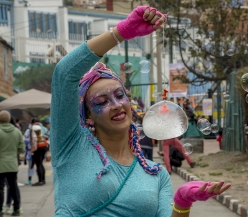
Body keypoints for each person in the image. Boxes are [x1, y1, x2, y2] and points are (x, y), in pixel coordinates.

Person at [50, 6, 231, 216]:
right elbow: (64, 73)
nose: (116, 104)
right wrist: (123, 31)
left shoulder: (156, 174)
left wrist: (182, 203)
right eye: (102, 101)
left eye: (120, 95)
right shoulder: (70, 147)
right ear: (88, 114)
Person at [0, 110, 25, 216]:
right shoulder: (16, 131)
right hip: (12, 164)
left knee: (0, 188)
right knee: (13, 186)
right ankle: (16, 208)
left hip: (0, 164)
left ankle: (0, 209)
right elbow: (21, 148)